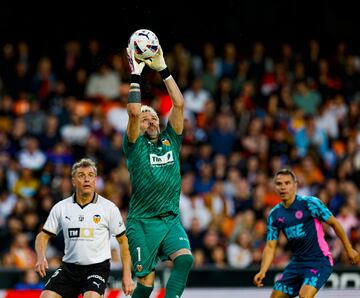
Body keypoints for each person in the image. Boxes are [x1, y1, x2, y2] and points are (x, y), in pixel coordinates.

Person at [123, 45, 194, 298]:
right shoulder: (134, 146)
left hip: (170, 217)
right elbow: (132, 113)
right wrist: (135, 74)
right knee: (146, 284)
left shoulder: (170, 140)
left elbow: (179, 103)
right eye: (145, 119)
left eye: (153, 117)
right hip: (143, 222)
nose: (151, 120)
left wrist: (163, 69)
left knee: (185, 260)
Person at [34, 158, 134, 298]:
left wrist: (127, 276)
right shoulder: (61, 207)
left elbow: (123, 242)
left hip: (97, 267)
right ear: (73, 181)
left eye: (91, 175)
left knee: (91, 296)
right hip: (69, 267)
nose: (87, 179)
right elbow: (42, 236)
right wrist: (40, 257)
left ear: (95, 180)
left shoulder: (109, 208)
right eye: (81, 175)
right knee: (46, 296)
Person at [253, 168, 359, 297]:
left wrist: (349, 249)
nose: (283, 187)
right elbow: (270, 246)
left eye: (287, 183)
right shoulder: (274, 215)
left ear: (295, 185)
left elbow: (335, 224)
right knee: (275, 296)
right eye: (279, 184)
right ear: (275, 187)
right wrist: (263, 271)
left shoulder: (310, 204)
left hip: (319, 260)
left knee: (305, 295)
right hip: (297, 263)